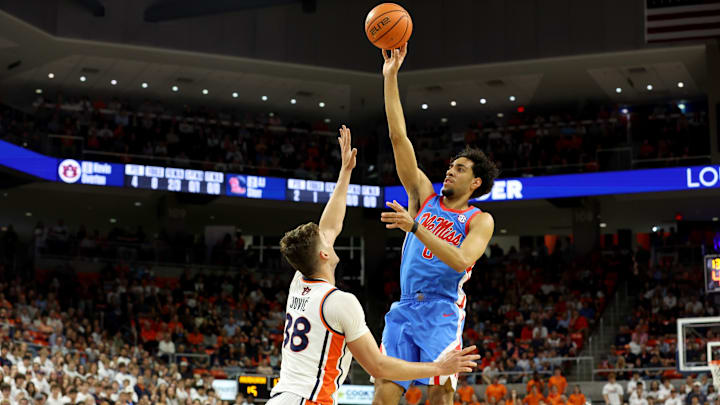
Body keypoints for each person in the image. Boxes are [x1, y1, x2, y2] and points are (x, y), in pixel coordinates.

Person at [267, 126, 480, 405]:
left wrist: (345, 173)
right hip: (307, 401)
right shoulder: (339, 302)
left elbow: (330, 225)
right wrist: (439, 368)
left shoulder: (299, 280)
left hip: (282, 397)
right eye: (325, 243)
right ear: (323, 256)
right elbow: (378, 366)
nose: (329, 239)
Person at [373, 43, 498, 405]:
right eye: (450, 166)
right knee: (384, 388)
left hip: (442, 309)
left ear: (475, 183)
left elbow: (461, 261)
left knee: (440, 391)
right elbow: (399, 138)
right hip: (405, 305)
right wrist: (390, 77)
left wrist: (415, 228)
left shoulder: (479, 219)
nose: (449, 170)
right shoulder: (425, 196)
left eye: (459, 169)